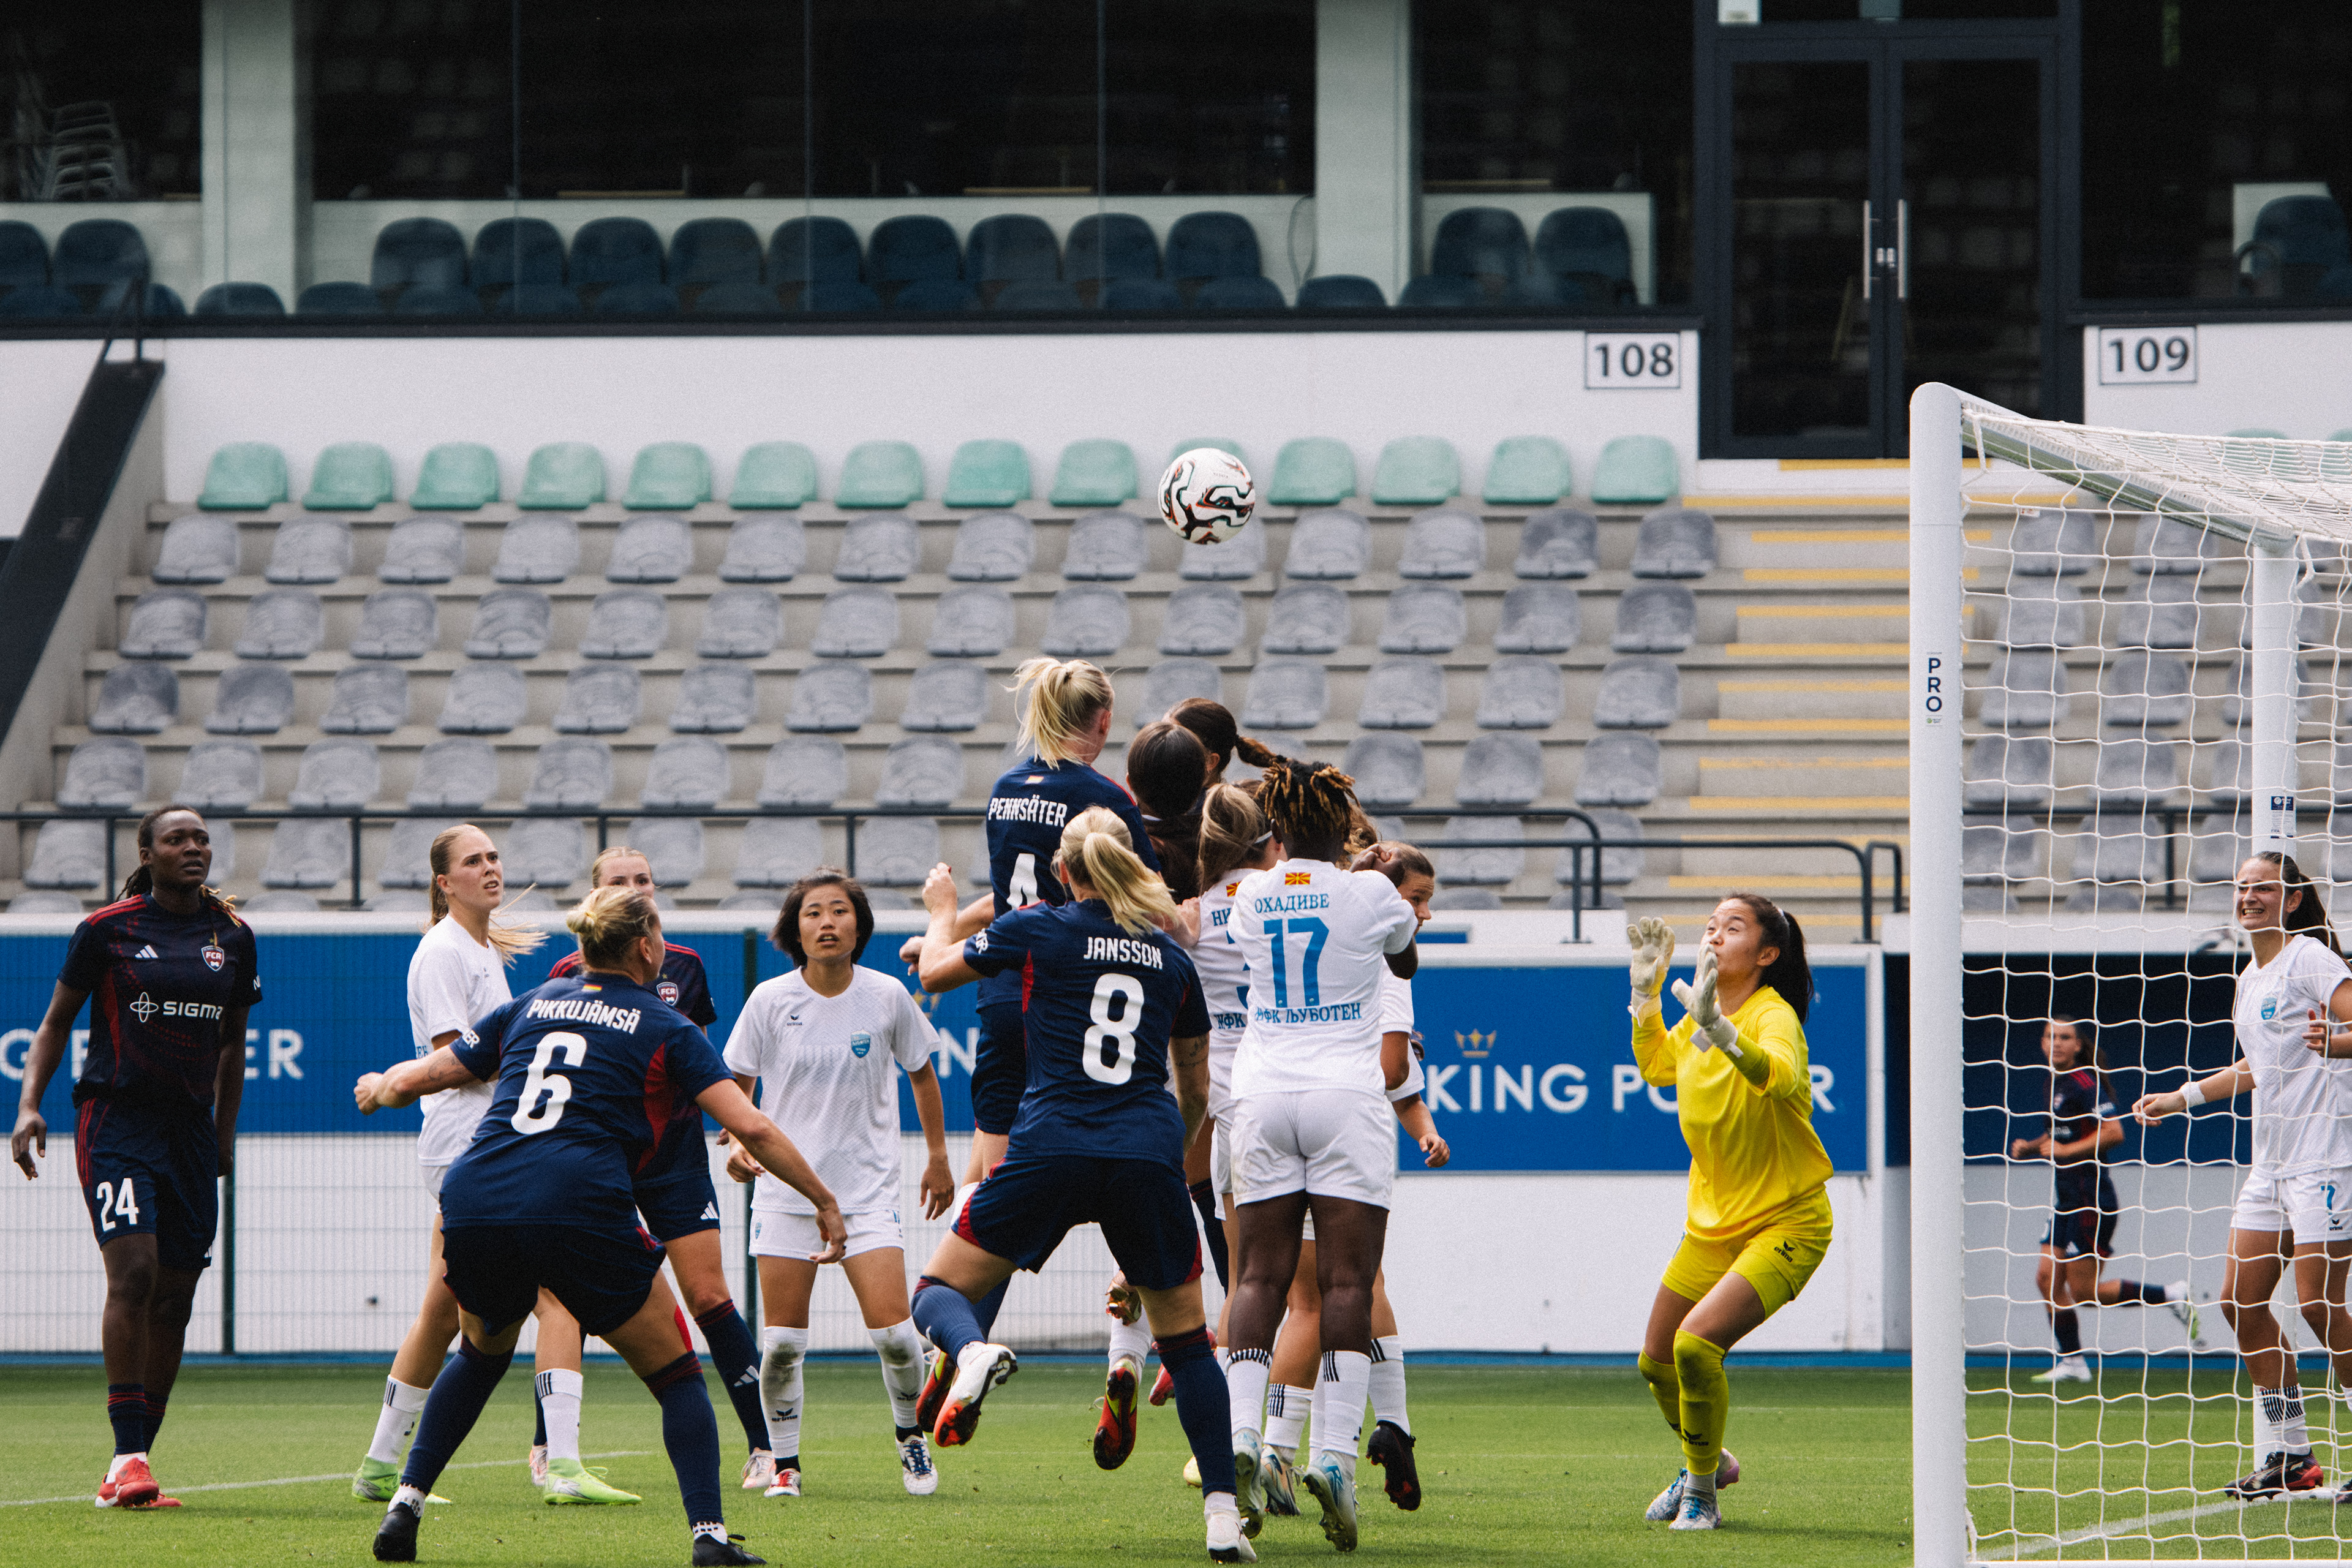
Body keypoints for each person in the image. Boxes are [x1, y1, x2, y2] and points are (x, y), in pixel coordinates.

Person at [352, 886, 847, 1567]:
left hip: (478, 1194)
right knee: (676, 1376)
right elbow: (752, 1125)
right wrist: (822, 1198)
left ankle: (405, 1505)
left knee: (480, 1353)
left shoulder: (529, 1005)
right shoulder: (666, 1026)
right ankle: (709, 1539)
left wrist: (382, 1085)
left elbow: (429, 1075)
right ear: (646, 946)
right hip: (575, 1200)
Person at [904, 808, 1253, 1564]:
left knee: (937, 1294)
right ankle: (1223, 1516)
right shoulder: (1171, 957)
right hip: (1146, 1151)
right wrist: (1166, 1147)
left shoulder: (1039, 927)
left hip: (1051, 1144)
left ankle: (968, 1354)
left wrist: (939, 914)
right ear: (1134, 864)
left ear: (1065, 872)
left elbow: (935, 971)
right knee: (1190, 1346)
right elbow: (1194, 1082)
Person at [902, 657, 1158, 1430]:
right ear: (1105, 722)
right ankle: (1137, 1349)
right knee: (1118, 1173)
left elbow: (1017, 898)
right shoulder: (1107, 804)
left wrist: (948, 926)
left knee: (992, 1184)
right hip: (1066, 1002)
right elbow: (1127, 900)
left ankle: (960, 1343)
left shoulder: (1007, 788)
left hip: (999, 997)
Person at [352, 826, 627, 1504]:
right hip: (469, 1149)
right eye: (473, 861)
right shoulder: (442, 951)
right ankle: (560, 1463)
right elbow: (456, 1060)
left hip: (486, 1148)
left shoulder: (477, 949)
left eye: (495, 856)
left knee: (442, 1312)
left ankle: (381, 1465)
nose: (490, 868)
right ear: (445, 882)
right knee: (559, 1289)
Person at [10, 806, 259, 1510]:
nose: (194, 848)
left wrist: (224, 1135)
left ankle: (136, 1461)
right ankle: (127, 1455)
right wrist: (31, 1105)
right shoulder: (106, 929)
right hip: (116, 1120)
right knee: (137, 1273)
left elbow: (233, 1047)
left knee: (176, 1297)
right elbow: (56, 1022)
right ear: (147, 853)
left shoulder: (233, 936)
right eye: (178, 838)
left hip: (189, 1131)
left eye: (202, 838)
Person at [1222, 758, 1420, 1552]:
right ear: (1344, 824)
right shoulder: (1372, 891)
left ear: (1274, 825)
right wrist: (1366, 872)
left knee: (1258, 1278)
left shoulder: (1250, 896)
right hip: (1346, 1094)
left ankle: (1240, 1437)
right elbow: (1403, 959)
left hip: (1263, 1091)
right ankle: (1334, 1456)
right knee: (1347, 1281)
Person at [719, 870, 955, 1501]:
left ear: (859, 924)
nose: (827, 922)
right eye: (813, 913)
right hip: (784, 1197)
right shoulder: (769, 1000)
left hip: (867, 1195)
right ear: (795, 929)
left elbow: (924, 1075)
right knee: (782, 1348)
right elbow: (735, 1092)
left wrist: (937, 1158)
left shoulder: (885, 997)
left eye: (839, 912)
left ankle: (910, 1435)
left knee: (897, 1339)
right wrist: (739, 1145)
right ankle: (786, 1464)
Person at [543, 848, 773, 1489]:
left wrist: (732, 1138)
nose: (634, 889)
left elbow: (697, 1065)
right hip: (601, 1161)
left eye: (642, 880)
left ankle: (766, 1445)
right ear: (594, 898)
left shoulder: (686, 967)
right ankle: (550, 1444)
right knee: (571, 1296)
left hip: (672, 1157)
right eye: (618, 882)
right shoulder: (568, 971)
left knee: (708, 1295)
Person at [2133, 851, 2352, 1501]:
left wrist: (2336, 1043)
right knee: (2240, 1301)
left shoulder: (2309, 956)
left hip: (2326, 1159)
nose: (2249, 896)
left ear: (2291, 900)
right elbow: (2258, 1065)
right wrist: (2183, 1097)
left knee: (2317, 1302)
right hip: (2272, 1166)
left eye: (2264, 888)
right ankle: (2291, 1456)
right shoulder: (2250, 974)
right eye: (2242, 886)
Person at [1626, 894, 1834, 1532]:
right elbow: (1659, 1068)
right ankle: (1710, 1460)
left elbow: (1781, 1076)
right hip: (1713, 1221)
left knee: (1696, 1345)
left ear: (1767, 954)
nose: (1715, 933)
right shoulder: (1699, 1007)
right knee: (1656, 1358)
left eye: (1733, 926)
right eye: (1711, 923)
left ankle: (1701, 1492)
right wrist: (1645, 998)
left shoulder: (1774, 1016)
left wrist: (1722, 1029)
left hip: (1788, 1222)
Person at [1256, 843, 1449, 1520]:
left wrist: (1422, 1125)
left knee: (1309, 1289)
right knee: (1335, 1292)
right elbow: (1391, 1067)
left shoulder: (1266, 908)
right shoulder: (1380, 949)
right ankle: (1321, 1446)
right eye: (1415, 898)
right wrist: (1395, 1064)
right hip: (1341, 1126)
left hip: (1264, 1113)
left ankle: (1280, 1442)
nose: (1421, 913)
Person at [2011, 1014, 2199, 1384]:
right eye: (2051, 1036)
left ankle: (2171, 1294)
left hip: (2091, 1200)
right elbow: (2060, 1133)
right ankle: (2073, 1362)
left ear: (2079, 1045)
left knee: (2083, 1293)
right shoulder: (2054, 1083)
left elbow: (2114, 1133)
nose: (2058, 1043)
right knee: (2046, 1279)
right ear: (2043, 1042)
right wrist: (2033, 1147)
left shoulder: (2085, 1083)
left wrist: (2064, 1152)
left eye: (2066, 1037)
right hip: (2064, 1199)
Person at [1166, 697, 1284, 790]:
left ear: (1210, 761)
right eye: (1160, 733)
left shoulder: (1224, 814)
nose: (1158, 745)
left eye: (1175, 741)